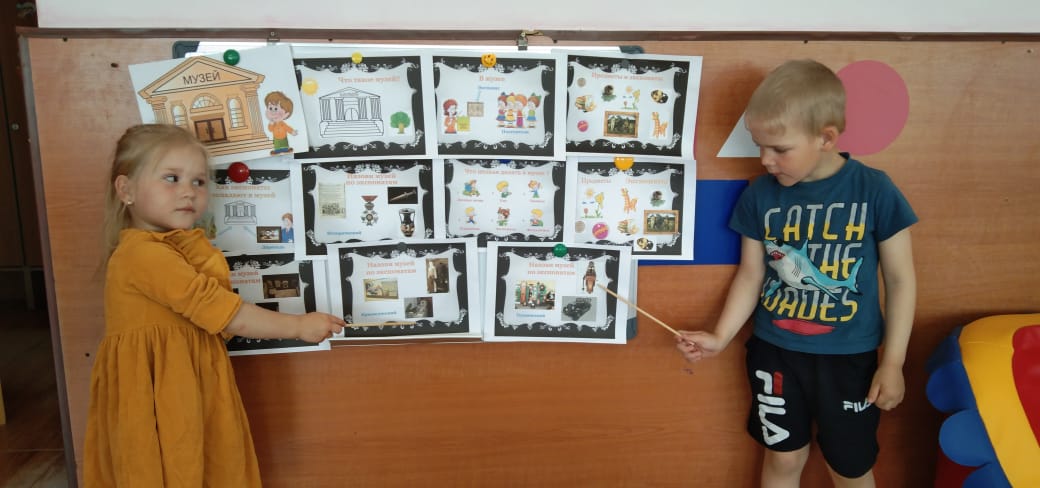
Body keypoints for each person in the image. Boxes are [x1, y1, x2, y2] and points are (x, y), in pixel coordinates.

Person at [675, 59, 917, 488]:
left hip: (850, 360)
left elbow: (900, 281)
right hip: (776, 353)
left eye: (779, 149)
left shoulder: (875, 190)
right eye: (759, 146)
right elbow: (751, 276)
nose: (765, 160)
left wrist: (894, 362)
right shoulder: (759, 196)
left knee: (849, 468)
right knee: (783, 459)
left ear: (826, 138)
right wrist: (720, 336)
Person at [84, 124, 346, 487]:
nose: (188, 191)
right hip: (162, 395)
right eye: (171, 178)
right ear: (126, 189)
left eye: (199, 181)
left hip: (186, 385)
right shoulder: (142, 255)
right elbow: (226, 313)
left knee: (201, 462)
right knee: (171, 467)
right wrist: (298, 326)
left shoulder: (175, 249)